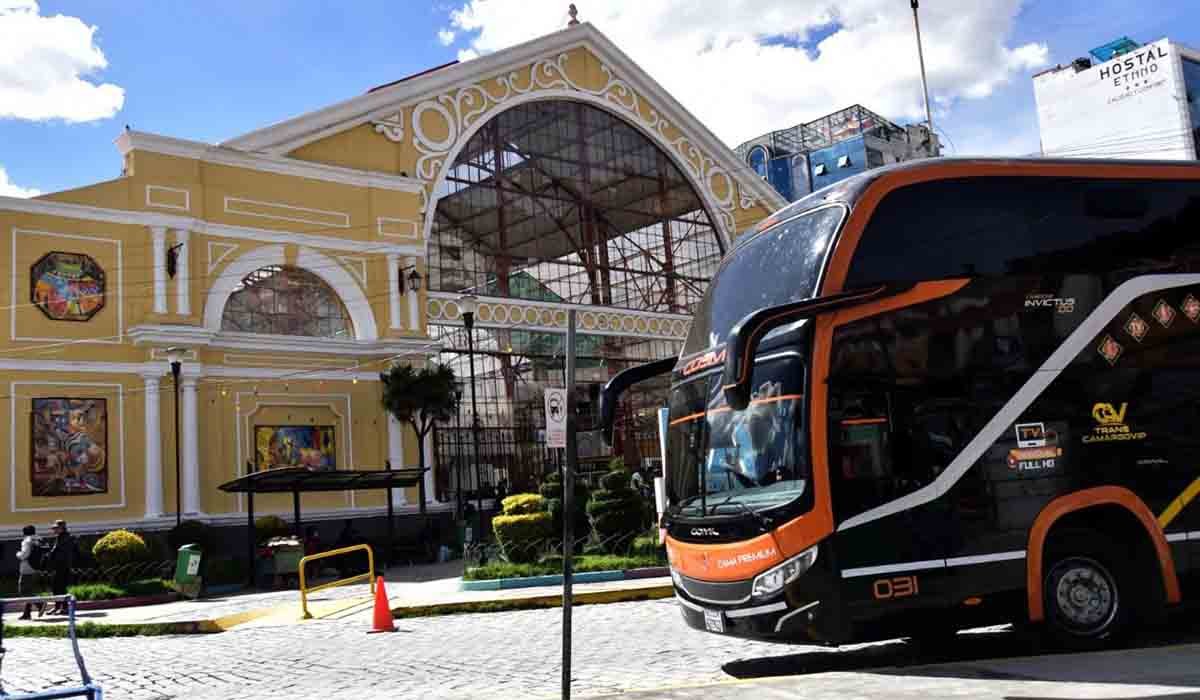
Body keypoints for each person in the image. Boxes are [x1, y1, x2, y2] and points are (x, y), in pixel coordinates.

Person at [46, 519, 75, 615]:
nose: (54, 530)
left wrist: (50, 555)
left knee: (61, 588)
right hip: (58, 566)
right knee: (56, 587)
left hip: (62, 566)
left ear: (62, 528)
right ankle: (57, 606)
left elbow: (59, 552)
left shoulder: (66, 538)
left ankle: (64, 608)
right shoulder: (60, 537)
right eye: (54, 528)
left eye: (56, 528)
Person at [16, 525, 45, 619]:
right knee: (30, 591)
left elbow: (24, 555)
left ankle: (40, 604)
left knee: (23, 591)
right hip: (37, 568)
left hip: (27, 568)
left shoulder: (27, 540)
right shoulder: (39, 539)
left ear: (24, 533)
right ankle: (27, 613)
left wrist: (18, 554)